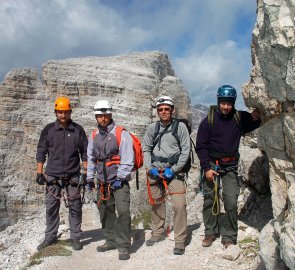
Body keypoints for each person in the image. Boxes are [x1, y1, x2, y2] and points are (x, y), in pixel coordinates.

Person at [196, 85, 261, 249]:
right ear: (219, 102)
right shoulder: (208, 121)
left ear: (233, 103)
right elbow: (201, 146)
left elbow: (255, 121)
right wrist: (206, 168)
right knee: (210, 200)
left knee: (231, 201)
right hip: (212, 165)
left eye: (229, 103)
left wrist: (256, 116)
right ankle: (210, 232)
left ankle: (229, 236)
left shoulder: (239, 117)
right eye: (223, 103)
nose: (226, 107)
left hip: (230, 166)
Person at [36, 96, 88, 251]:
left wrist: (85, 172)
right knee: (51, 208)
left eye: (65, 112)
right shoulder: (48, 130)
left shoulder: (78, 130)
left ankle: (76, 237)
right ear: (55, 112)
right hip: (53, 175)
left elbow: (85, 152)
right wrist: (39, 172)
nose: (63, 115)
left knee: (75, 206)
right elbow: (41, 152)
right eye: (60, 112)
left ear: (70, 112)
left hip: (73, 175)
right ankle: (50, 237)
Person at [142, 96, 191, 255]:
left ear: (172, 110)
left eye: (166, 109)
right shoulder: (152, 128)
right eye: (160, 109)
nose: (163, 112)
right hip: (155, 170)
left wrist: (175, 169)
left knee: (179, 205)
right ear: (157, 111)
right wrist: (150, 168)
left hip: (174, 172)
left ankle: (180, 240)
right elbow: (146, 149)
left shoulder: (181, 128)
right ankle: (157, 232)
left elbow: (186, 151)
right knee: (156, 202)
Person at [87, 100, 134, 261]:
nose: (103, 118)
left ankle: (123, 245)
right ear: (96, 117)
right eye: (100, 115)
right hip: (102, 181)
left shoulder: (121, 133)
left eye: (105, 115)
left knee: (123, 211)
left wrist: (120, 178)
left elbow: (128, 158)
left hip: (119, 181)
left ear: (110, 114)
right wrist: (89, 178)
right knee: (105, 212)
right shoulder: (93, 136)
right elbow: (91, 158)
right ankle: (110, 240)